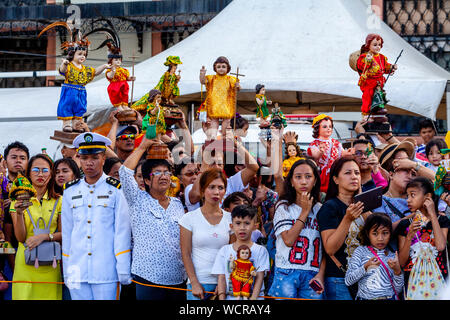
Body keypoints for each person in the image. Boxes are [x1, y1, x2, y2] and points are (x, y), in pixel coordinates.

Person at [61, 132, 132, 300]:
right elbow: (67, 232)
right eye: (84, 158)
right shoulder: (70, 191)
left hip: (107, 270)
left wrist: (122, 269)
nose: (89, 163)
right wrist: (68, 270)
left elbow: (122, 232)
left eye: (94, 157)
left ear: (103, 159)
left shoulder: (115, 189)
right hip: (77, 269)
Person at [119, 136, 186, 300]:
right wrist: (143, 147)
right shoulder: (137, 199)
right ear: (147, 180)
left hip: (177, 278)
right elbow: (124, 172)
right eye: (157, 173)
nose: (163, 176)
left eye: (166, 172)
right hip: (147, 278)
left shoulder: (178, 204)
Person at [38, 22, 111, 132]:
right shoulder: (69, 65)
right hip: (70, 90)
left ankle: (77, 125)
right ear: (73, 54)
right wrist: (64, 64)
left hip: (81, 91)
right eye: (79, 54)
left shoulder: (85, 69)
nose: (82, 56)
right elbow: (62, 71)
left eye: (84, 55)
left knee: (80, 108)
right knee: (67, 106)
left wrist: (104, 66)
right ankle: (66, 124)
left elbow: (95, 72)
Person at [269, 158, 325, 299]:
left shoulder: (321, 209)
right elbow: (288, 240)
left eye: (308, 176)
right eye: (298, 177)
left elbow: (327, 247)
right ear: (292, 182)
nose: (304, 182)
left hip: (313, 272)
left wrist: (321, 275)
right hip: (286, 271)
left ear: (315, 181)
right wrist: (305, 212)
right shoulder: (283, 207)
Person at [10, 154, 62, 300]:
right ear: (28, 174)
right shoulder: (18, 200)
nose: (40, 174)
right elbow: (20, 238)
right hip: (25, 263)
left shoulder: (59, 201)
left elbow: (66, 234)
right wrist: (19, 214)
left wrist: (45, 237)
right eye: (36, 170)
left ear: (51, 174)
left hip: (50, 264)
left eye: (45, 170)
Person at [179, 168, 232, 300]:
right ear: (202, 190)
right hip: (197, 285)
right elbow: (185, 253)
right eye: (211, 187)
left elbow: (232, 254)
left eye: (220, 187)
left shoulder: (231, 219)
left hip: (223, 285)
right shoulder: (189, 218)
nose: (216, 192)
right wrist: (194, 283)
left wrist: (223, 282)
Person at [317, 156, 364, 300]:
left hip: (363, 277)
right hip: (339, 278)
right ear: (336, 179)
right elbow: (330, 248)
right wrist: (347, 219)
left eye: (357, 173)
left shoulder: (362, 207)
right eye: (348, 173)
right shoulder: (330, 207)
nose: (354, 177)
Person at [398, 177, 450, 295]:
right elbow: (401, 262)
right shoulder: (405, 224)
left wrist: (432, 214)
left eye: (412, 195)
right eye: (407, 196)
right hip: (413, 283)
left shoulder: (442, 220)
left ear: (427, 197)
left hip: (439, 281)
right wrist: (409, 236)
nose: (408, 200)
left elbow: (441, 246)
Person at [211, 205, 270, 300]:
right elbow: (221, 277)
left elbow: (259, 277)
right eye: (238, 223)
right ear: (231, 226)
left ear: (255, 226)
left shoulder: (260, 250)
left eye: (247, 223)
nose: (242, 228)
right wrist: (222, 298)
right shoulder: (224, 251)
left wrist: (253, 299)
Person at [345, 212, 403, 300]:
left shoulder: (392, 256)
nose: (380, 238)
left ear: (390, 234)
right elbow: (348, 280)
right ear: (368, 234)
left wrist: (397, 271)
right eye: (375, 233)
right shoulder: (360, 251)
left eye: (385, 233)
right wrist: (365, 267)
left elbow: (397, 290)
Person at [307, 114, 353, 193]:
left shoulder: (336, 143)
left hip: (334, 173)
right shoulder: (314, 144)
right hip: (320, 174)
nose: (328, 129)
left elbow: (342, 154)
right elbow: (314, 155)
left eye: (330, 126)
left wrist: (348, 153)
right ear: (317, 129)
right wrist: (320, 152)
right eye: (325, 127)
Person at [199, 56, 241, 140]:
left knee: (227, 120)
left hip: (226, 103)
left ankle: (224, 134)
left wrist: (238, 86)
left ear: (228, 68)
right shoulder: (211, 78)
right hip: (215, 103)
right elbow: (203, 81)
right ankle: (213, 135)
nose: (221, 69)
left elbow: (238, 89)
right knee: (214, 120)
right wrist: (202, 73)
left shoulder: (231, 79)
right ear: (215, 68)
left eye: (223, 67)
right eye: (218, 67)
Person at [356, 33, 397, 116]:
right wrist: (368, 61)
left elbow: (385, 67)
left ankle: (378, 112)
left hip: (379, 83)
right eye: (375, 45)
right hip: (369, 83)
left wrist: (392, 67)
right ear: (368, 45)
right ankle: (366, 114)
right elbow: (361, 66)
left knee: (379, 97)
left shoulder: (382, 57)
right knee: (368, 98)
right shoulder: (365, 56)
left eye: (379, 45)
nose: (378, 47)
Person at [105, 42, 136, 110]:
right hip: (115, 87)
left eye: (119, 60)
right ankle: (119, 106)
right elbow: (110, 76)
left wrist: (131, 78)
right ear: (111, 61)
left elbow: (127, 78)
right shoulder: (109, 70)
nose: (118, 61)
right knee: (117, 96)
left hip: (124, 85)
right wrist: (113, 71)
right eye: (116, 60)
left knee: (125, 95)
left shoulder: (124, 70)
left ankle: (125, 105)